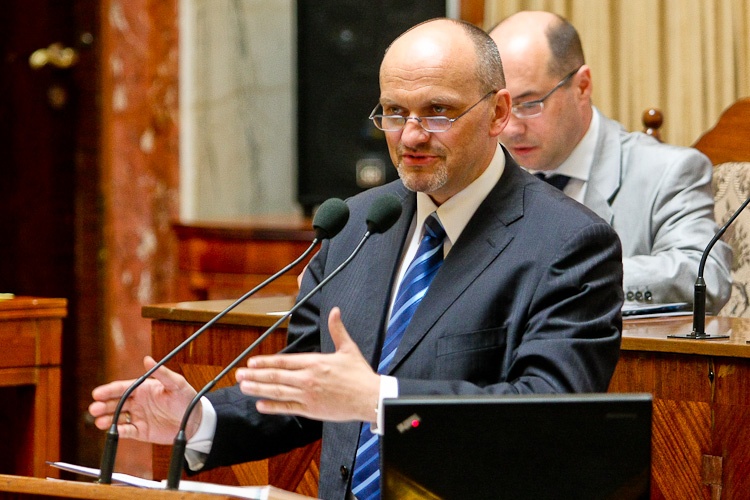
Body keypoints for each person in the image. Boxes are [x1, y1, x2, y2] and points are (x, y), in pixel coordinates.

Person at [90, 18, 624, 500]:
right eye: (394, 112)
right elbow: (306, 391)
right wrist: (198, 419)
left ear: (498, 112)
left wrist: (379, 398)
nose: (411, 136)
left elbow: (550, 415)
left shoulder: (569, 242)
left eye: (438, 112)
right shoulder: (354, 225)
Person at [489, 11, 732, 313]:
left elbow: (705, 276)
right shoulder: (487, 172)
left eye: (529, 104)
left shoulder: (668, 171)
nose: (511, 129)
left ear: (582, 86)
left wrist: (575, 276)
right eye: (499, 108)